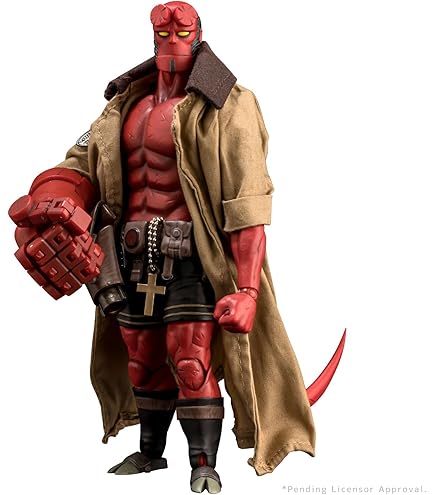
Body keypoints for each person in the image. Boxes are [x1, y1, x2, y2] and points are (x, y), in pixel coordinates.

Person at [9, 2, 328, 493]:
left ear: (199, 35)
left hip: (192, 257)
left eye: (183, 32)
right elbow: (80, 163)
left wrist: (247, 290)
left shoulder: (228, 104)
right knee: (141, 358)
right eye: (163, 33)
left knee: (190, 360)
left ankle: (203, 463)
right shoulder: (122, 105)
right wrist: (54, 199)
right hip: (127, 256)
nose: (172, 41)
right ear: (152, 36)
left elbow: (248, 206)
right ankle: (150, 453)